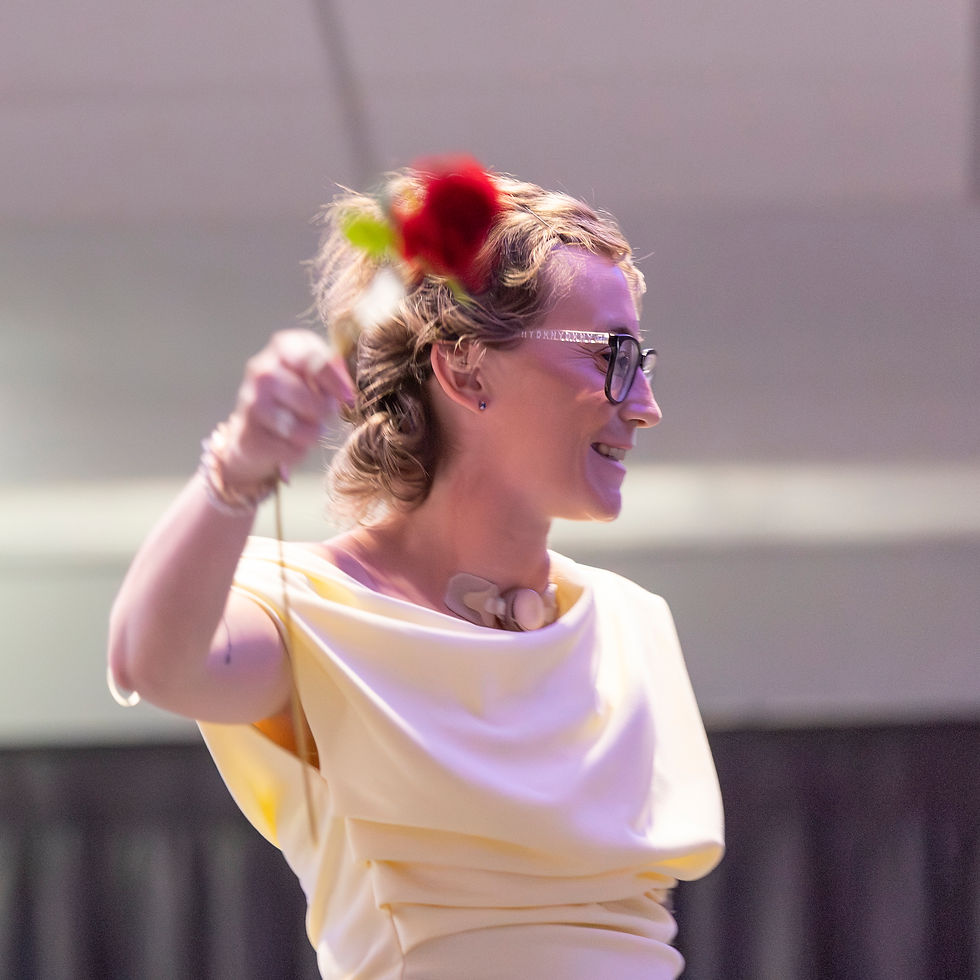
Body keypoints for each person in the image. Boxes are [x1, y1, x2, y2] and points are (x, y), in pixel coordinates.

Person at [108, 158, 724, 979]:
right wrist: (236, 470)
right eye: (612, 355)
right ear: (465, 369)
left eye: (642, 359)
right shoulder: (310, 607)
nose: (644, 401)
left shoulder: (631, 620)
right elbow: (155, 663)